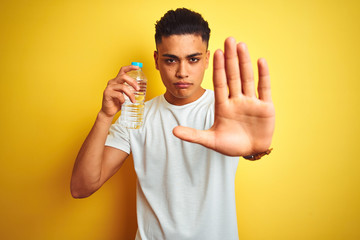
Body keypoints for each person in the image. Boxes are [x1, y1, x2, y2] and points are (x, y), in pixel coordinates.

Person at [71, 8, 275, 240]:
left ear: (207, 59)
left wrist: (254, 150)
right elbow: (81, 187)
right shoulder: (137, 115)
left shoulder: (225, 110)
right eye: (171, 60)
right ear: (157, 61)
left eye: (193, 59)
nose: (182, 72)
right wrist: (104, 116)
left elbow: (248, 147)